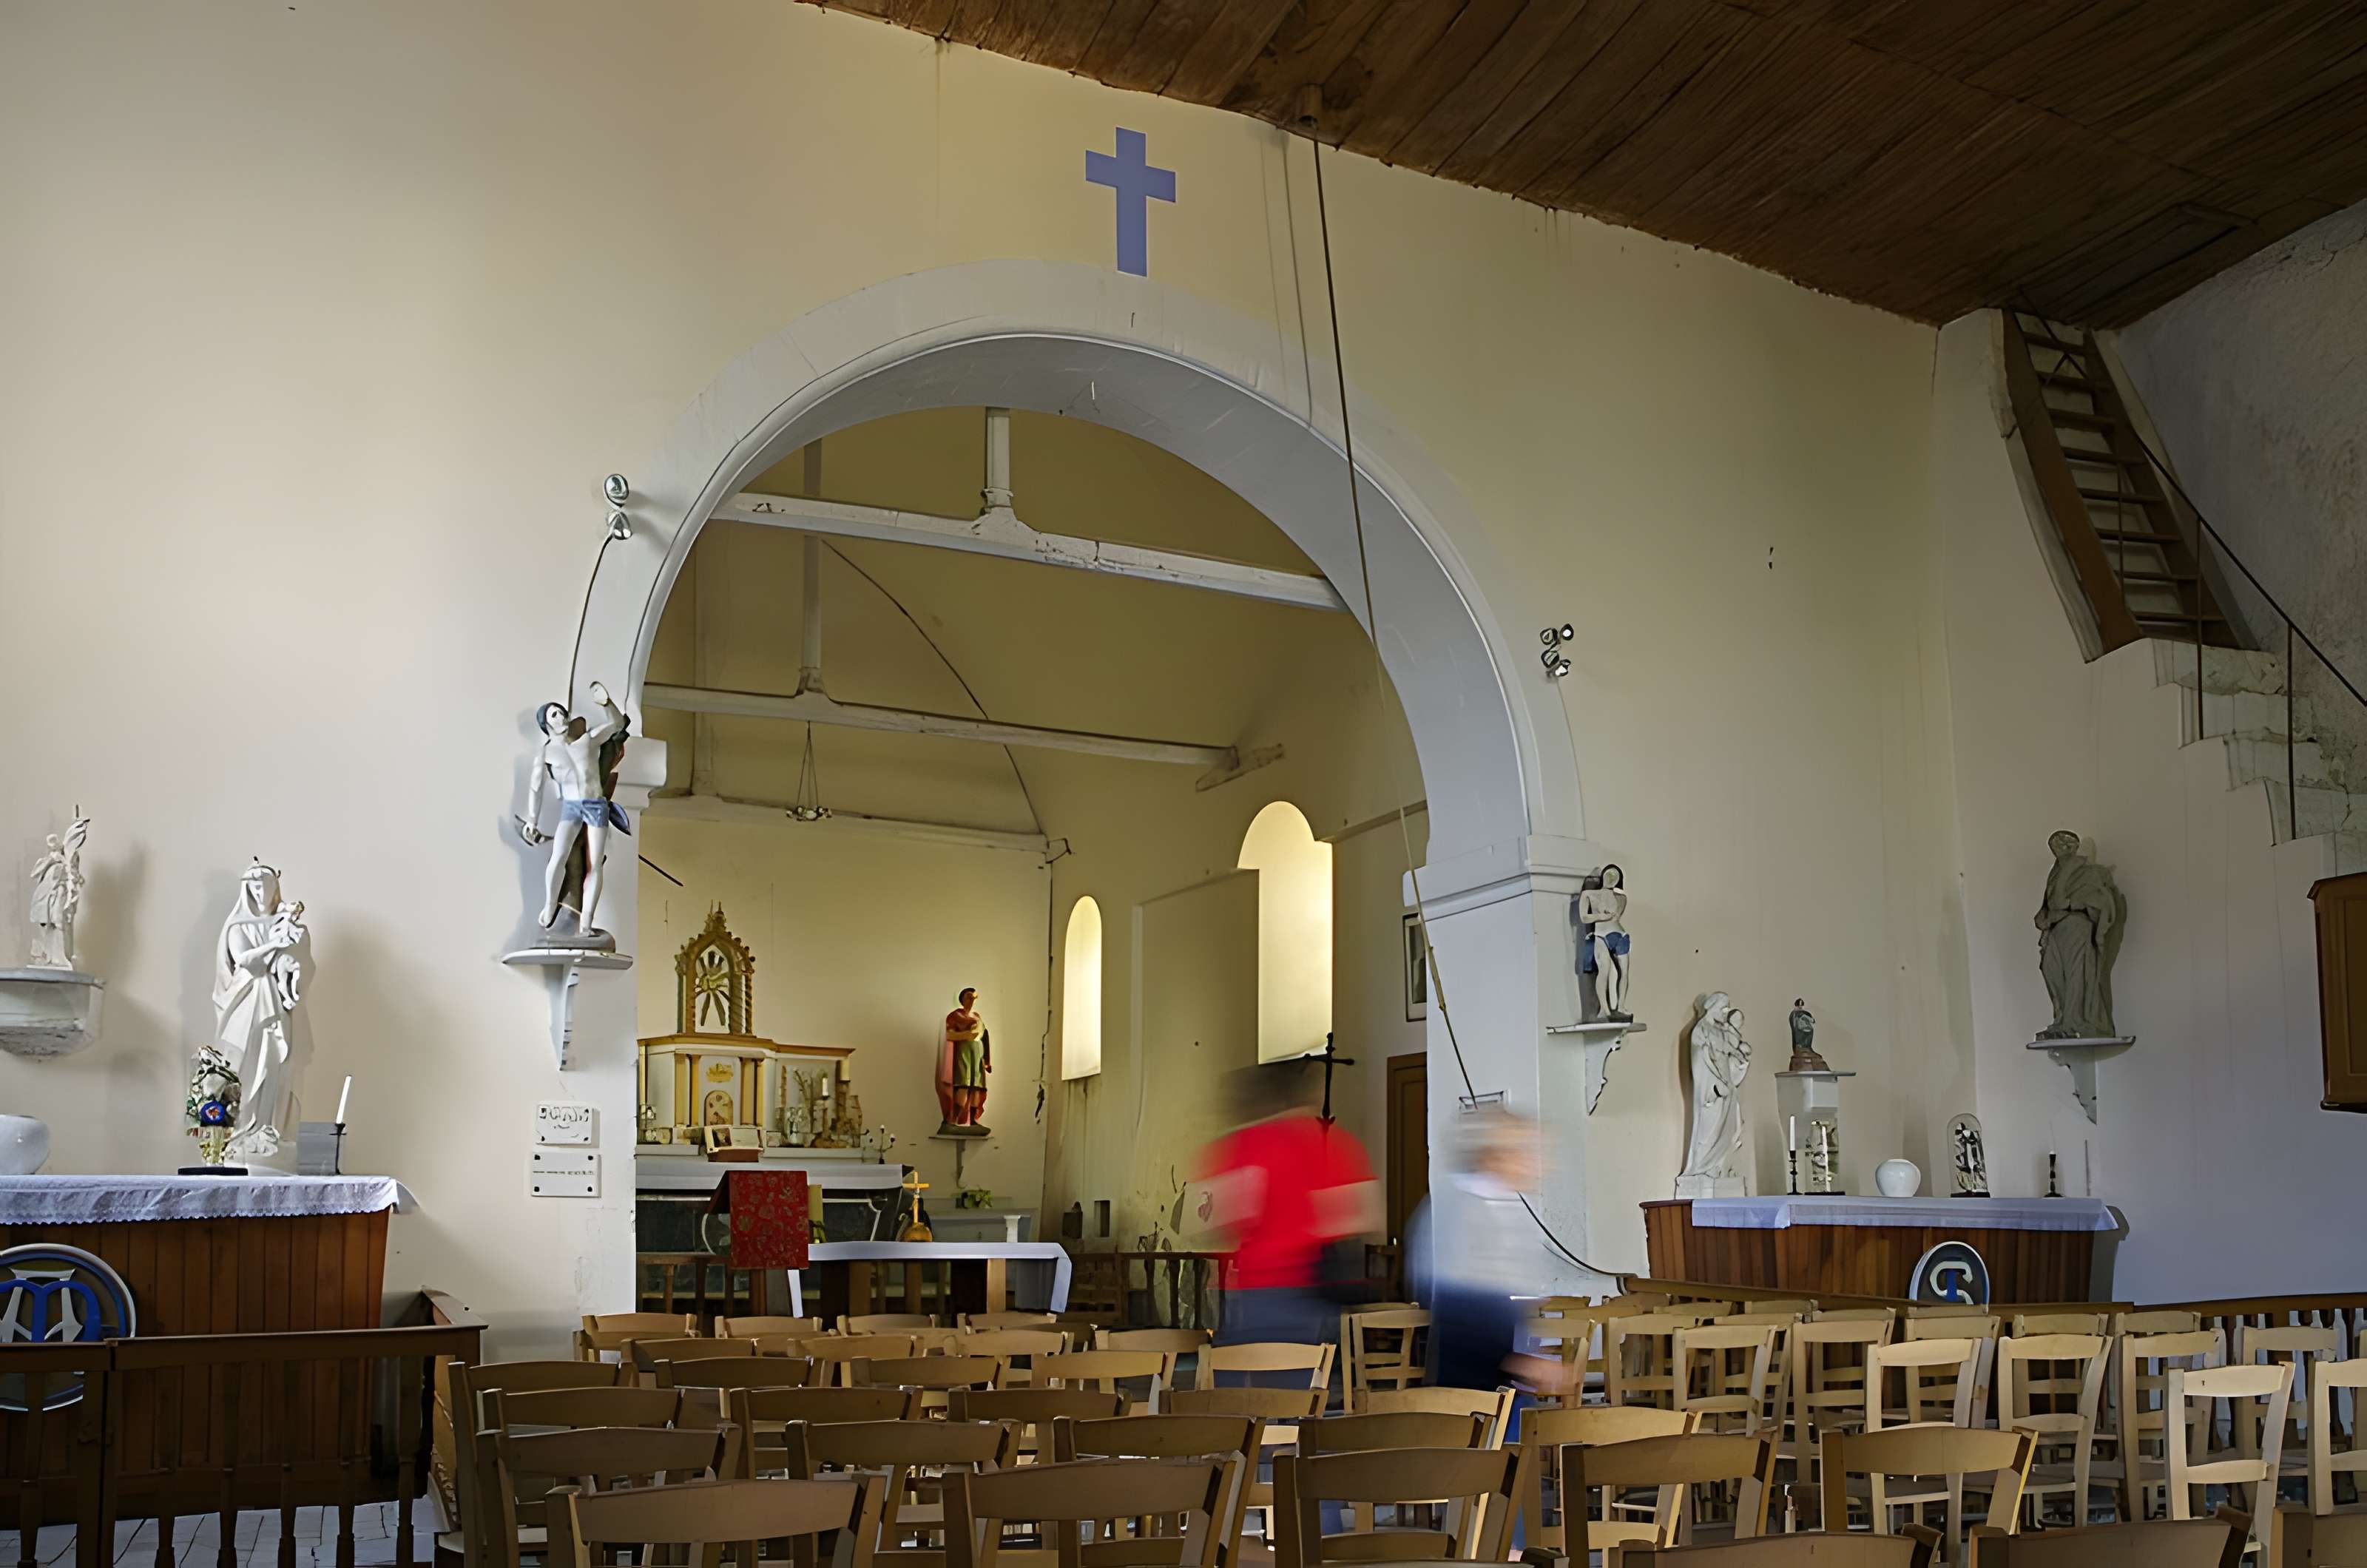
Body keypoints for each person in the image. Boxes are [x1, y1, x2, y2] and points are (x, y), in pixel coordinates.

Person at [1195, 1061, 1380, 1350]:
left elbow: (1217, 1220)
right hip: (1316, 1291)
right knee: (1309, 1386)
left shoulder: (1248, 1144)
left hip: (1262, 1287)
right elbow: (1364, 1216)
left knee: (1239, 1386)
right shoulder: (1331, 1143)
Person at [1408, 1106, 1568, 1394]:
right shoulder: (1457, 1211)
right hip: (1471, 1379)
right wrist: (1515, 1362)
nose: (1539, 1164)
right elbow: (1459, 1311)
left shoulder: (1505, 1207)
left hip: (1504, 1370)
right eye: (1527, 1152)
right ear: (1495, 1157)